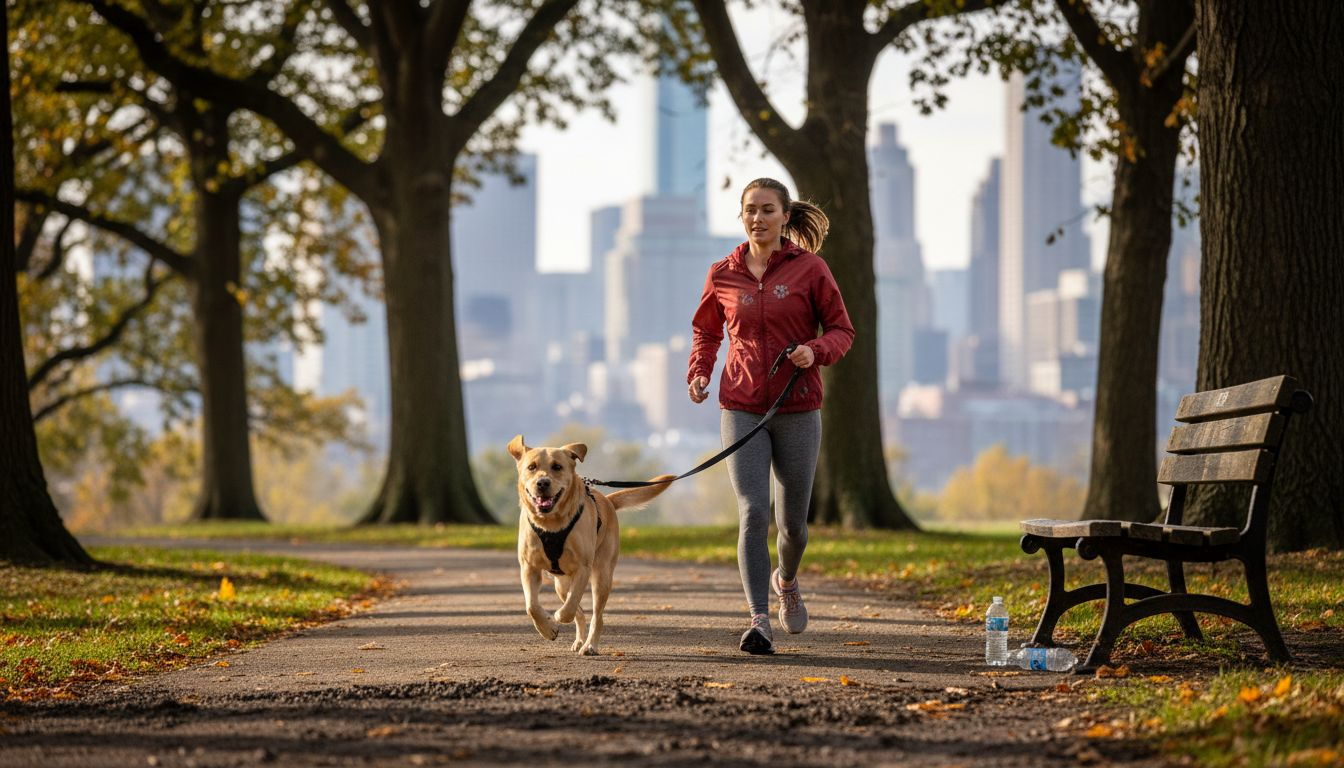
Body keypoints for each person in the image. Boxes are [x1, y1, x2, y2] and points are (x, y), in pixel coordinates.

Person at [687, 177, 855, 655]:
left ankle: (788, 578)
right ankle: (759, 620)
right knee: (753, 512)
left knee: (793, 525)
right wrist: (699, 373)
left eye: (767, 210)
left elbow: (842, 329)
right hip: (740, 406)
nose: (757, 218)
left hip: (798, 407)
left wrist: (815, 350)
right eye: (750, 210)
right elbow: (706, 332)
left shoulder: (811, 270)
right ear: (741, 217)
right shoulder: (723, 272)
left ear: (785, 216)